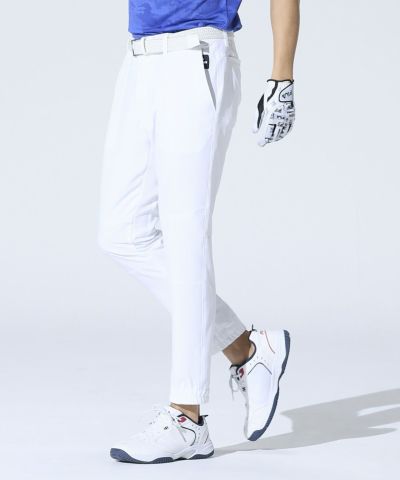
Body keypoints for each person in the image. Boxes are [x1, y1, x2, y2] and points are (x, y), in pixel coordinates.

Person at [97, 0, 300, 464]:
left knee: (186, 237)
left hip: (196, 58)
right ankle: (248, 350)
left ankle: (187, 419)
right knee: (121, 233)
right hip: (140, 58)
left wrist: (282, 77)